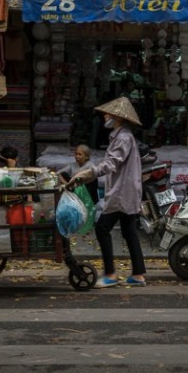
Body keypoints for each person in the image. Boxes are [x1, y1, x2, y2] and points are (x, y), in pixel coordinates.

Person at [68, 97, 146, 288]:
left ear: (117, 117)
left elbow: (111, 163)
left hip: (122, 193)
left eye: (108, 113)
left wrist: (87, 173)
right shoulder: (121, 136)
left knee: (102, 228)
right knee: (129, 232)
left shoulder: (123, 138)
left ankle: (110, 273)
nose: (104, 116)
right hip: (125, 192)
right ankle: (138, 275)